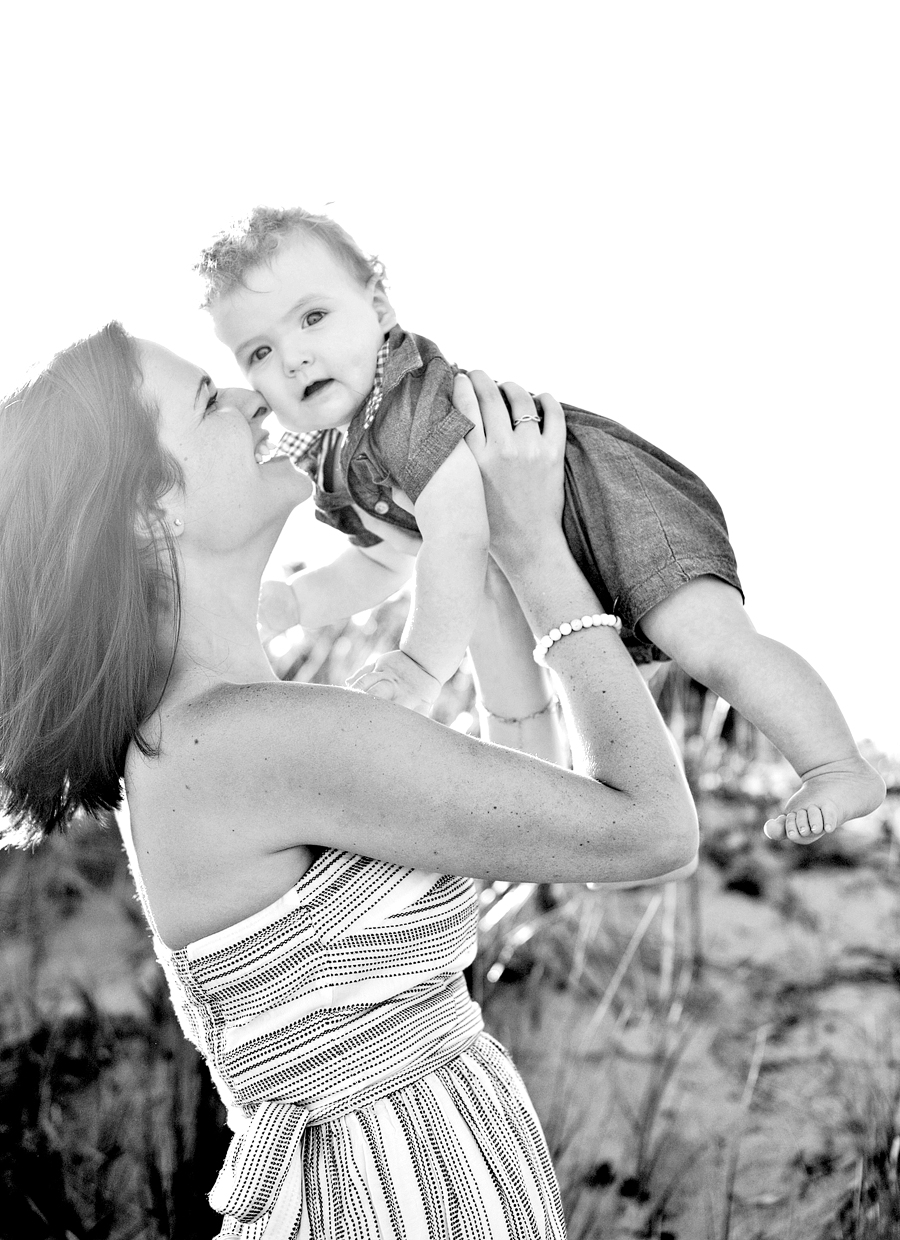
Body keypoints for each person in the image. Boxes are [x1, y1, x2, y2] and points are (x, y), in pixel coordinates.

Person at [0, 322, 698, 1239]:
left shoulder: (212, 734)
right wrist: (538, 555)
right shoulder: (253, 740)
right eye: (214, 401)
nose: (261, 400)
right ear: (150, 510)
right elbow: (652, 826)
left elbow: (531, 807)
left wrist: (476, 553)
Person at [198, 206, 885, 847]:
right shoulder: (344, 453)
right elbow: (383, 563)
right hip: (556, 545)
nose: (292, 358)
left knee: (714, 645)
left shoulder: (406, 404)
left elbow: (457, 536)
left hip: (616, 500)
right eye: (257, 352)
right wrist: (297, 603)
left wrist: (419, 665)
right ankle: (557, 830)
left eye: (313, 317)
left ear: (378, 308)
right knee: (531, 690)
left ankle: (835, 764)